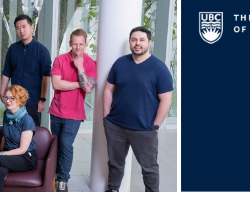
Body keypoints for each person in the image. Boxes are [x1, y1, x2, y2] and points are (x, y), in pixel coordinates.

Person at [103, 27, 174, 192]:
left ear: (149, 42)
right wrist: (106, 117)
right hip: (115, 126)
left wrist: (155, 125)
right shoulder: (120, 63)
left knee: (149, 168)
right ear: (130, 42)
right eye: (134, 39)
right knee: (115, 164)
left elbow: (166, 100)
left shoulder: (159, 68)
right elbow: (108, 90)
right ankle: (112, 190)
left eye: (142, 40)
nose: (137, 43)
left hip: (144, 129)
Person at [48, 29, 97, 192]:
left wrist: (80, 67)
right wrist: (80, 83)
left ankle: (63, 178)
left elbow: (88, 89)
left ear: (86, 44)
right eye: (75, 44)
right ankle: (53, 174)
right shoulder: (60, 59)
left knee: (66, 145)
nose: (78, 47)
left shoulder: (90, 63)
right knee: (56, 145)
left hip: (75, 113)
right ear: (70, 43)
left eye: (81, 44)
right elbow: (56, 84)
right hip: (56, 110)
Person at [0, 85, 37, 192]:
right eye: (6, 97)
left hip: (26, 158)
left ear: (20, 100)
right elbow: (7, 131)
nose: (7, 101)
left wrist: (3, 154)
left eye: (12, 98)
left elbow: (22, 149)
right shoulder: (6, 114)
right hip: (11, 154)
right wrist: (3, 143)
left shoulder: (27, 120)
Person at [0, 15, 51, 126]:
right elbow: (6, 73)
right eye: (18, 28)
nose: (21, 31)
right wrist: (2, 92)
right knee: (13, 129)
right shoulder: (12, 49)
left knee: (32, 130)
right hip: (14, 100)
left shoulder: (42, 51)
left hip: (33, 101)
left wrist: (42, 99)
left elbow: (46, 77)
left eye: (24, 27)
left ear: (31, 27)